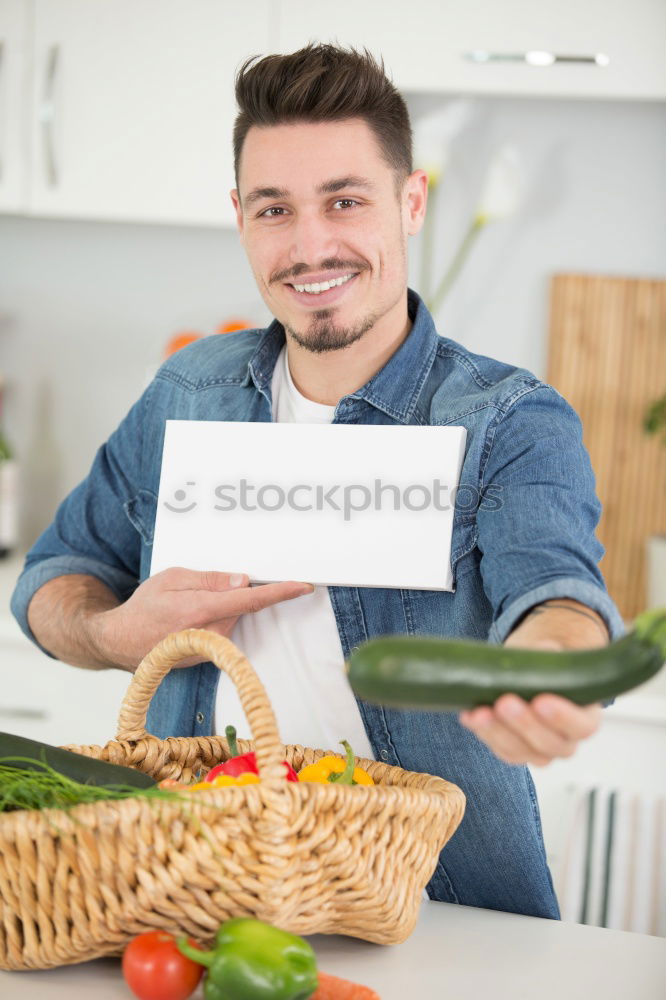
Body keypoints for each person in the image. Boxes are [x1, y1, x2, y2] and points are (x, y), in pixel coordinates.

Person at [11, 44, 624, 920]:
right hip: (199, 890)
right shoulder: (188, 392)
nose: (309, 246)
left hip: (432, 908)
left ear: (412, 203)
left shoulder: (508, 419)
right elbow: (51, 576)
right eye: (274, 209)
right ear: (240, 218)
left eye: (345, 200)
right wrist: (114, 633)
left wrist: (549, 664)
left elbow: (557, 593)